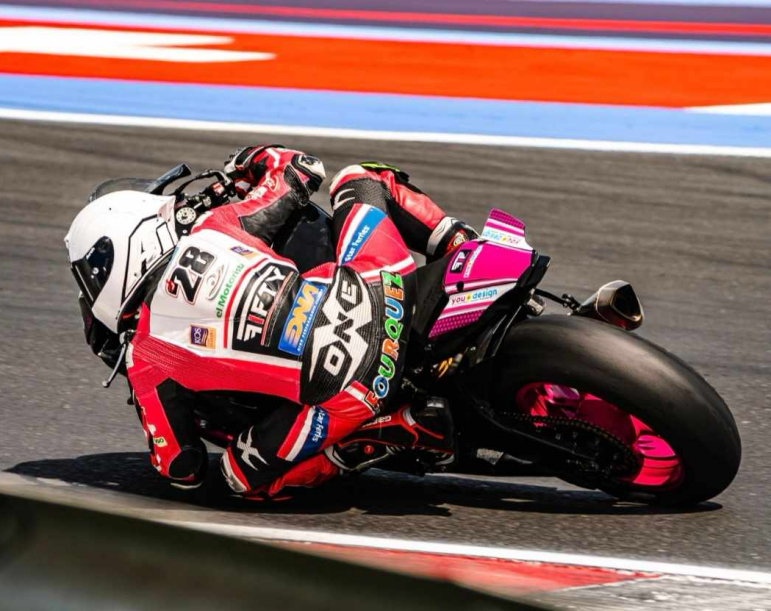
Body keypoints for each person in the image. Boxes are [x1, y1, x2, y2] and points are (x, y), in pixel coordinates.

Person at [66, 145, 476, 499]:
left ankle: (383, 435)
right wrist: (246, 161)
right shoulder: (215, 227)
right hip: (382, 288)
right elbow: (300, 168)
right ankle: (462, 248)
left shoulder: (144, 360)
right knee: (361, 179)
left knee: (239, 477)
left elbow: (182, 466)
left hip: (355, 393)